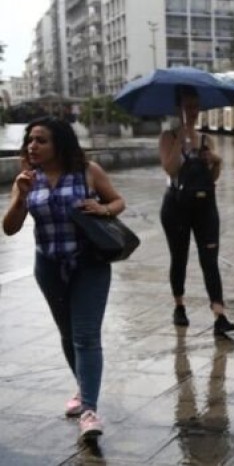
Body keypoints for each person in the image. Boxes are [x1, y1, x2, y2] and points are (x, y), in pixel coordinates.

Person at [3, 117, 127, 441]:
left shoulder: (88, 171)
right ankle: (83, 388)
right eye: (30, 140)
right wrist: (20, 196)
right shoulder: (28, 179)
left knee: (86, 336)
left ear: (59, 143)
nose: (33, 145)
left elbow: (118, 201)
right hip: (49, 267)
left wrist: (104, 210)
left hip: (89, 265)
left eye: (41, 140)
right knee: (67, 333)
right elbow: (10, 227)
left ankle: (88, 409)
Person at [158, 85, 234, 336]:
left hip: (205, 205)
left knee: (209, 259)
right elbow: (169, 169)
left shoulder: (206, 139)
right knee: (179, 256)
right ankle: (179, 305)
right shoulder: (168, 137)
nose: (191, 112)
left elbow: (212, 178)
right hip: (176, 205)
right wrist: (181, 140)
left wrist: (215, 160)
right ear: (177, 108)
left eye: (195, 107)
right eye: (186, 107)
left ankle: (219, 313)